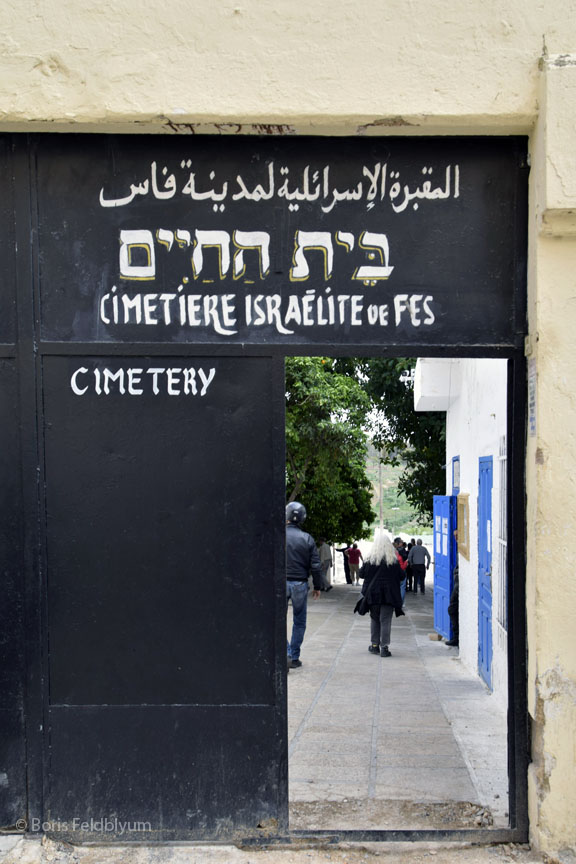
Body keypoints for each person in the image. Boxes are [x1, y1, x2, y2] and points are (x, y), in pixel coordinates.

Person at [286, 501, 323, 669]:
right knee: (299, 621)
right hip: (300, 584)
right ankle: (294, 657)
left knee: (277, 620)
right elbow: (316, 565)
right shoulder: (307, 538)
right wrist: (318, 586)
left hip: (280, 583)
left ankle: (286, 652)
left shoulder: (278, 535)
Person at [358, 531, 404, 657]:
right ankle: (384, 648)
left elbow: (361, 574)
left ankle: (374, 646)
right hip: (389, 596)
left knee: (374, 619)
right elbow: (402, 576)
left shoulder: (369, 560)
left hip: (373, 595)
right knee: (385, 621)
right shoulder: (392, 561)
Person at [446, 529, 459, 647]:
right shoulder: (459, 548)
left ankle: (457, 637)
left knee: (452, 609)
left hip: (458, 585)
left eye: (457, 535)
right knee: (453, 610)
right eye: (454, 536)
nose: (455, 538)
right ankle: (457, 636)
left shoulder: (463, 548)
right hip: (457, 584)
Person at [393, 537, 409, 603]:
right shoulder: (402, 551)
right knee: (402, 587)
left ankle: (395, 601)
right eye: (401, 542)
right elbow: (404, 561)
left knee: (395, 587)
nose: (403, 543)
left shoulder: (392, 551)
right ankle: (400, 602)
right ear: (398, 543)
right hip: (402, 571)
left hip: (394, 572)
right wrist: (406, 562)